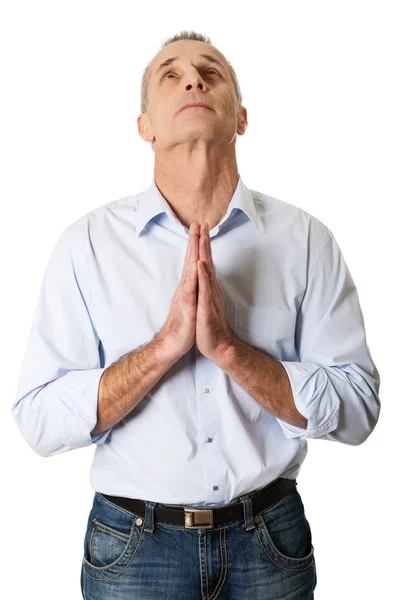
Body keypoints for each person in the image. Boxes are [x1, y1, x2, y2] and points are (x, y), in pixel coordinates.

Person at [12, 30, 381, 599]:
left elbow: (358, 408)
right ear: (145, 128)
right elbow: (37, 421)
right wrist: (164, 348)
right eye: (171, 74)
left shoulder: (306, 241)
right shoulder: (86, 245)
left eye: (213, 72)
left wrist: (231, 353)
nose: (193, 79)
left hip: (270, 544)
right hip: (134, 550)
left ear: (241, 118)